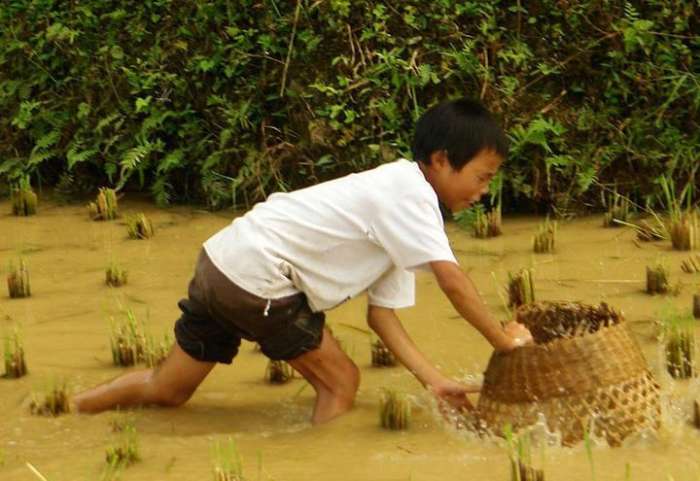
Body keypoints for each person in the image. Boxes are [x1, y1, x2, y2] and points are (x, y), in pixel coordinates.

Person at [72, 98, 533, 423]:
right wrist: (503, 342)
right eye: (481, 177)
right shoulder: (411, 195)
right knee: (341, 384)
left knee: (166, 390)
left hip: (221, 263)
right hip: (257, 278)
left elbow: (382, 316)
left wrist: (433, 380)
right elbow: (453, 282)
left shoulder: (400, 206)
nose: (483, 192)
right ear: (440, 160)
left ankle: (70, 410)